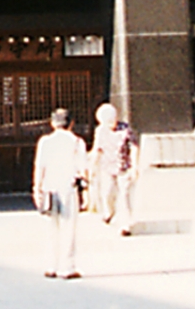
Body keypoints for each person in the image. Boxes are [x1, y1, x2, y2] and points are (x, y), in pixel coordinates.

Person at [32, 107, 87, 279]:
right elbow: (83, 169)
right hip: (69, 188)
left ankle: (51, 266)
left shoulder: (45, 142)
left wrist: (36, 188)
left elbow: (40, 166)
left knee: (50, 228)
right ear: (71, 123)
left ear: (52, 123)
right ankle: (68, 267)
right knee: (68, 227)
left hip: (49, 187)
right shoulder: (77, 142)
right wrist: (85, 191)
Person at [89, 102, 139, 235]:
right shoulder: (100, 131)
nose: (110, 124)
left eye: (111, 120)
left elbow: (134, 147)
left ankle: (125, 225)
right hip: (107, 167)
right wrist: (93, 166)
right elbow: (97, 149)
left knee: (125, 195)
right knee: (107, 193)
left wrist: (135, 166)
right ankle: (109, 212)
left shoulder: (125, 129)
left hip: (124, 166)